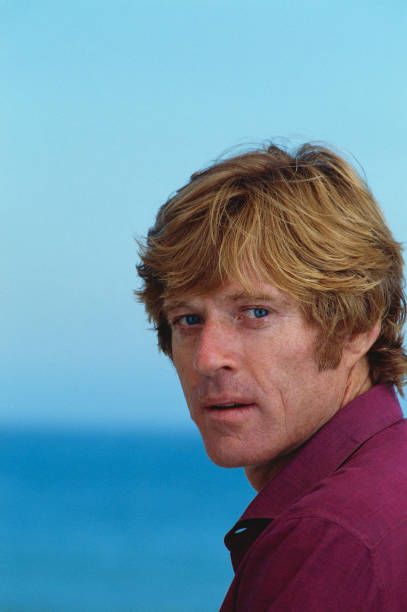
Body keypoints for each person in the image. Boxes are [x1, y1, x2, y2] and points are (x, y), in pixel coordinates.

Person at [136, 142, 407, 611]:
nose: (207, 358)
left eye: (256, 312)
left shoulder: (329, 539)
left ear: (357, 325)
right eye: (188, 319)